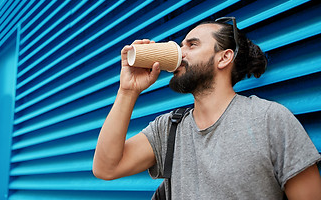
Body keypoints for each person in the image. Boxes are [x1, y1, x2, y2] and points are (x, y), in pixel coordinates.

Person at [93, 17, 321, 199]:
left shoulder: (269, 119)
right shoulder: (170, 128)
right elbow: (106, 168)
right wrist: (128, 90)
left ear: (224, 58)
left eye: (192, 45)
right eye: (181, 46)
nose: (180, 53)